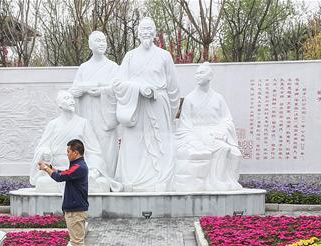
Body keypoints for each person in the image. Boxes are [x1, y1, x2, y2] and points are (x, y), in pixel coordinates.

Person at [102, 17, 180, 191]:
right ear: (138, 33)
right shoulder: (130, 56)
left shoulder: (164, 56)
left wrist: (170, 114)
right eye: (143, 29)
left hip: (158, 106)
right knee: (134, 144)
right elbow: (118, 83)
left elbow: (174, 89)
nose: (146, 32)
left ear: (155, 32)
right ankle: (132, 180)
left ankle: (160, 179)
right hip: (135, 107)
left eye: (149, 29)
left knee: (160, 144)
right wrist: (139, 88)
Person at [173, 62, 243, 191]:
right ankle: (217, 181)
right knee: (223, 148)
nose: (197, 76)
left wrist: (221, 131)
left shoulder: (218, 98)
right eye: (196, 73)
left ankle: (230, 181)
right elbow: (185, 124)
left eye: (201, 73)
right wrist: (194, 139)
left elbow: (227, 120)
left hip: (217, 132)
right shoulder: (189, 99)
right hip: (197, 133)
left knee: (235, 153)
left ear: (210, 76)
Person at [30, 90, 113, 192]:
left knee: (102, 183)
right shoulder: (53, 124)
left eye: (72, 98)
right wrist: (45, 152)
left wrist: (94, 169)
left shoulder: (83, 123)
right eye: (67, 98)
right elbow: (42, 147)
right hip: (57, 167)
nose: (72, 101)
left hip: (78, 169)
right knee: (42, 182)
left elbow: (94, 150)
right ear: (60, 104)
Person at [38, 139, 90, 246]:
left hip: (76, 210)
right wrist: (50, 167)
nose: (67, 154)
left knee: (77, 241)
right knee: (76, 240)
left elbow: (60, 177)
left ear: (76, 152)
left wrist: (46, 168)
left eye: (68, 151)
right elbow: (65, 173)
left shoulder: (79, 167)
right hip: (74, 209)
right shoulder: (77, 166)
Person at [70, 31, 121, 172]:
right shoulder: (84, 68)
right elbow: (73, 91)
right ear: (90, 45)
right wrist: (80, 91)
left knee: (106, 143)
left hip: (105, 115)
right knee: (89, 143)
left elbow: (119, 89)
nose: (102, 44)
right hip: (87, 113)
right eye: (98, 41)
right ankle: (90, 174)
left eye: (104, 41)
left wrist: (101, 90)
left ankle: (108, 175)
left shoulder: (113, 67)